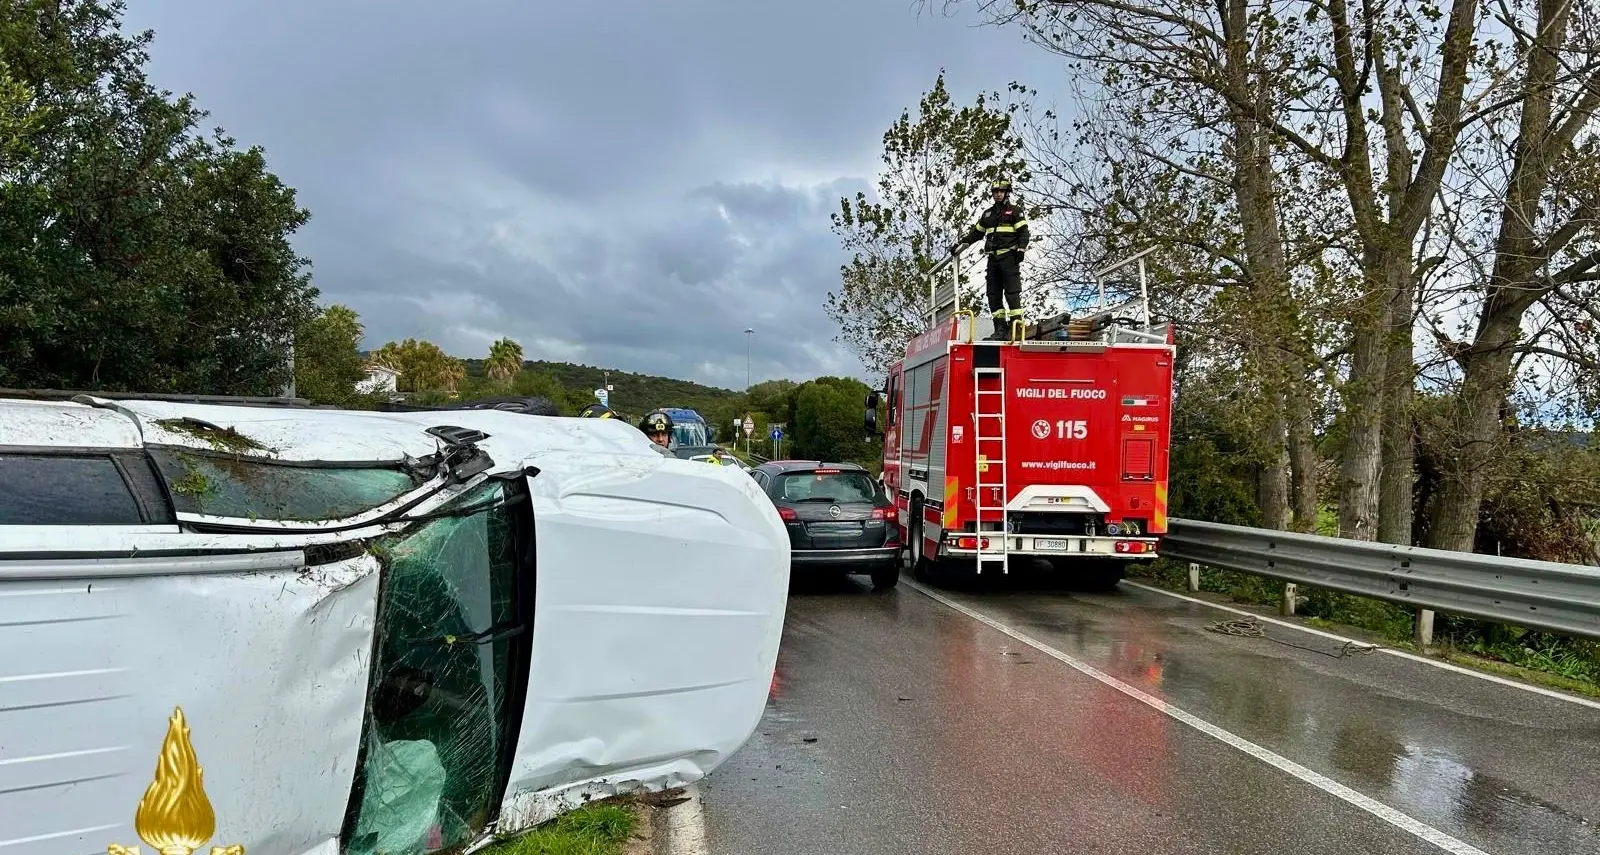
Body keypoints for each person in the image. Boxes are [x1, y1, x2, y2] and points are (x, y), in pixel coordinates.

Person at [951, 178, 1030, 341]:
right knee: (993, 294)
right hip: (993, 259)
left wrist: (1021, 250)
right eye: (995, 192)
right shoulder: (988, 214)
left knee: (1012, 292)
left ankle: (1016, 326)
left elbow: (1024, 232)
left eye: (1001, 191)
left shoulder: (1015, 211)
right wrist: (961, 244)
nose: (998, 194)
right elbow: (976, 234)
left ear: (1007, 193)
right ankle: (1000, 329)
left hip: (1009, 256)